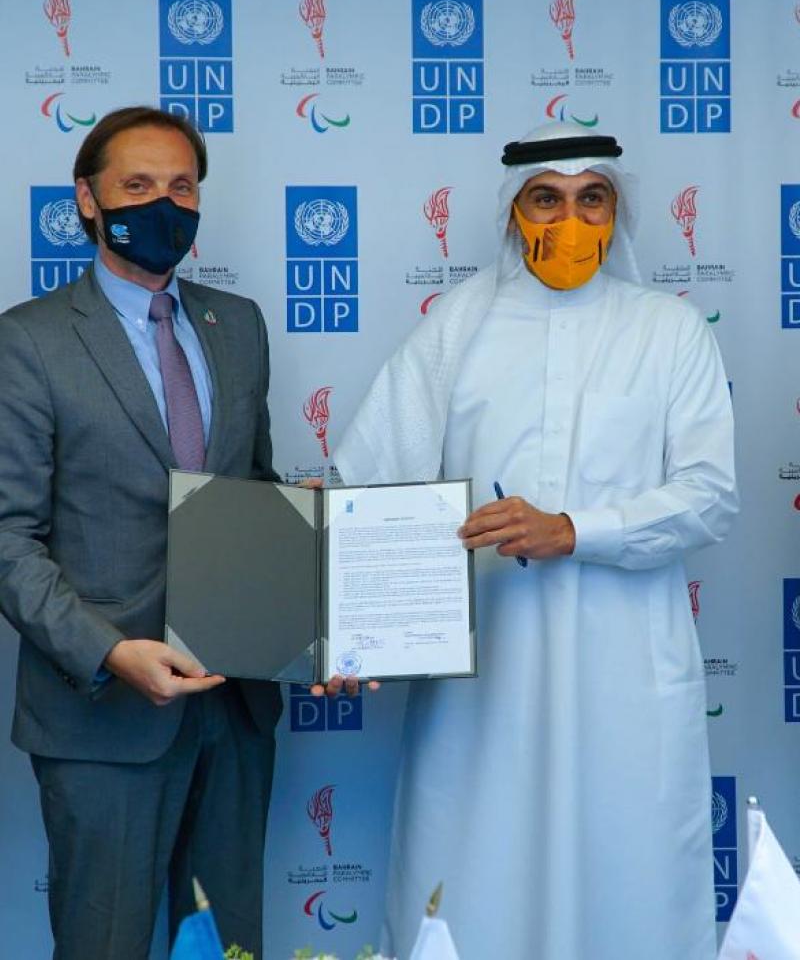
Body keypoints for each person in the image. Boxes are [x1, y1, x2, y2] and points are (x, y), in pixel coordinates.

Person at [333, 122, 738, 960]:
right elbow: (371, 482)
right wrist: (337, 600)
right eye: (545, 198)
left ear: (617, 210)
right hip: (486, 683)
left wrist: (574, 529)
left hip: (625, 670)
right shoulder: (460, 323)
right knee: (470, 884)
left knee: (632, 884)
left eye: (591, 198)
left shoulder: (670, 331)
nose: (569, 218)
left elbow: (709, 497)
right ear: (513, 211)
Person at [0, 106, 283, 960]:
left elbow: (259, 498)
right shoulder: (28, 342)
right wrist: (110, 651)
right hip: (103, 716)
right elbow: (8, 536)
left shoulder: (239, 325)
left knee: (228, 946)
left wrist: (329, 625)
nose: (165, 203)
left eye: (182, 186)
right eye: (138, 185)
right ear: (87, 200)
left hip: (235, 705)